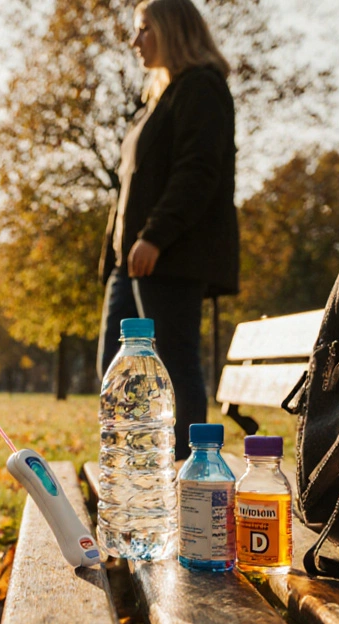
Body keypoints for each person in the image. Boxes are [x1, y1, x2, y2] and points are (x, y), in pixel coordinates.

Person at [97, 0, 238, 460]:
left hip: (168, 256)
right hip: (131, 261)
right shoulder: (161, 98)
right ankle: (133, 472)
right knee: (115, 373)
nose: (135, 41)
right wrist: (114, 253)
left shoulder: (201, 87)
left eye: (144, 30)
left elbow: (199, 171)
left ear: (173, 30)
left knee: (172, 367)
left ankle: (188, 479)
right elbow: (131, 187)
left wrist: (156, 234)